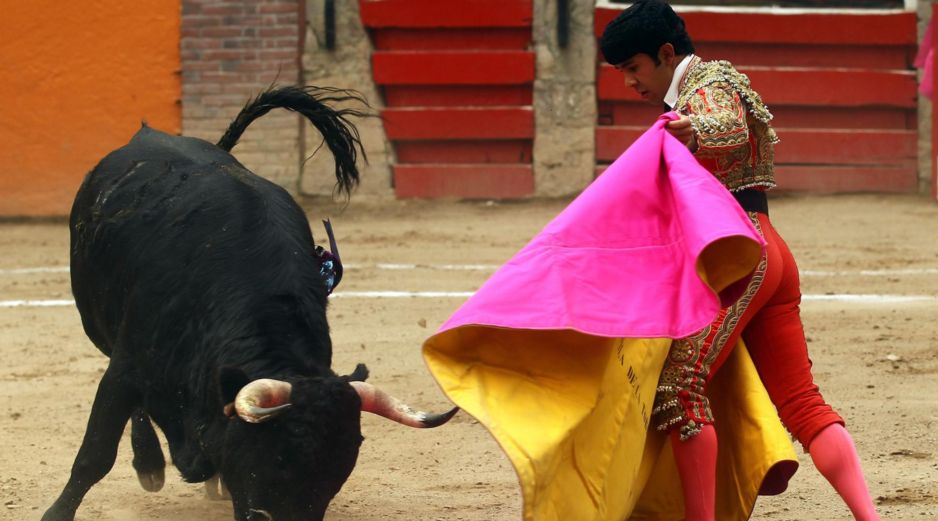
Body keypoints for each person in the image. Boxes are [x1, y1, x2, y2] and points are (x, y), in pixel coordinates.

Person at [599, 2, 881, 520]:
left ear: (665, 54)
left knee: (679, 390)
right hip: (768, 248)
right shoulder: (702, 85)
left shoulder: (706, 85)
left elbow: (723, 125)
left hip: (739, 256)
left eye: (633, 68)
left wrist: (692, 130)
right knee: (802, 403)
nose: (629, 83)